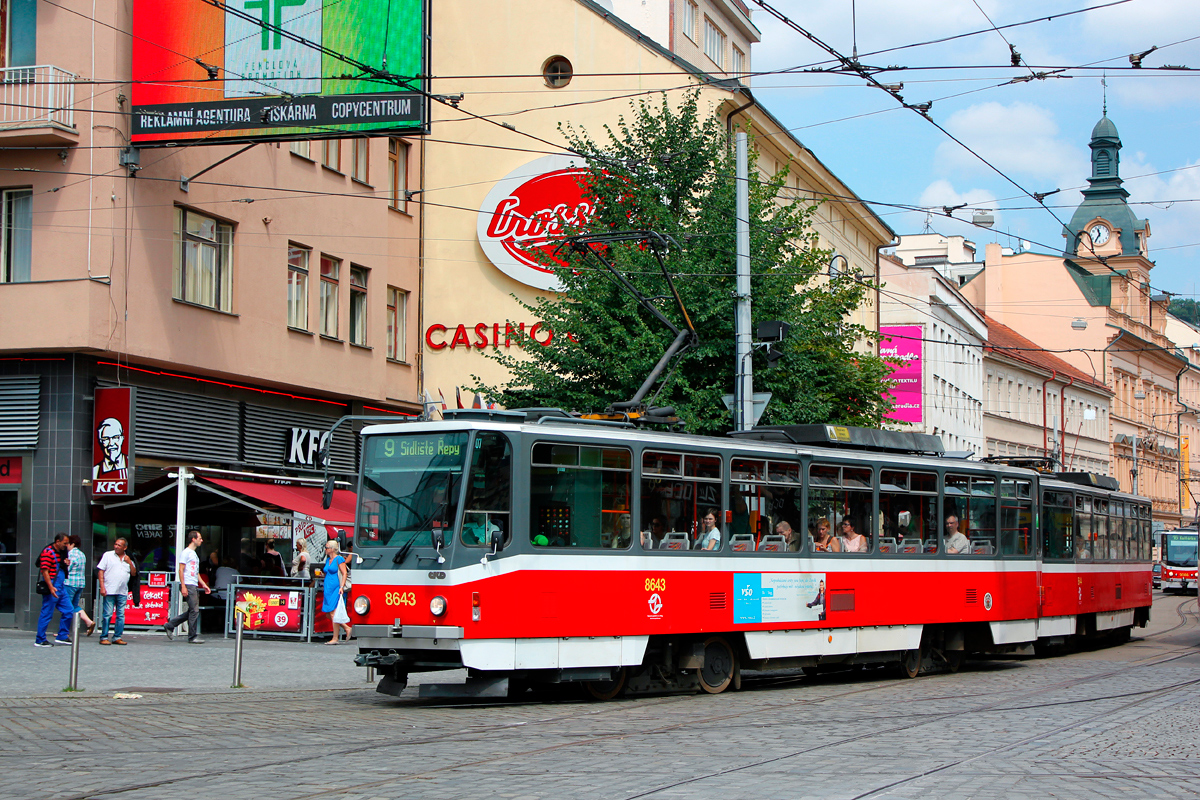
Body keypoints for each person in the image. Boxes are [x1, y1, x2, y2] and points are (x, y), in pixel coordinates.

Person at [162, 530, 211, 644]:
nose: (201, 540)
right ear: (193, 539)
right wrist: (183, 586)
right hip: (188, 584)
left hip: (192, 583)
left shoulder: (193, 554)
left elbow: (195, 571)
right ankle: (192, 636)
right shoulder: (186, 553)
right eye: (200, 538)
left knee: (192, 610)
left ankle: (170, 625)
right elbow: (181, 569)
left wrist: (203, 584)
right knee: (194, 610)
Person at [97, 537, 137, 645]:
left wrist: (129, 562)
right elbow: (101, 571)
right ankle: (104, 636)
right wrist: (102, 586)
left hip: (122, 591)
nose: (116, 546)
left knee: (120, 615)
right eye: (115, 544)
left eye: (119, 545)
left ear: (125, 547)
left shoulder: (128, 558)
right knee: (108, 614)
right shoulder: (108, 555)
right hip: (109, 589)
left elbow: (134, 573)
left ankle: (117, 636)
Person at [34, 534, 73, 647]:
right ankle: (40, 639)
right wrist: (51, 587)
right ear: (57, 541)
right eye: (65, 543)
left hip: (60, 586)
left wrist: (66, 563)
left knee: (68, 610)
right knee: (47, 613)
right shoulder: (48, 552)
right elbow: (44, 570)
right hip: (53, 585)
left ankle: (62, 635)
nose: (66, 545)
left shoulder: (60, 552)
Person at [65, 535, 96, 637]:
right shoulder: (82, 554)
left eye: (67, 544)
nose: (66, 546)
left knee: (67, 607)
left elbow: (67, 569)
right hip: (80, 583)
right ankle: (88, 621)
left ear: (72, 544)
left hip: (70, 583)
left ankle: (64, 632)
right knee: (74, 605)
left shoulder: (71, 554)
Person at [321, 540, 351, 645]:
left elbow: (344, 573)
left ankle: (335, 638)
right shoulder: (328, 560)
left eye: (327, 547)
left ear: (333, 549)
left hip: (336, 588)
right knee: (328, 614)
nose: (325, 549)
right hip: (328, 588)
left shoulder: (339, 559)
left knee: (333, 613)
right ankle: (347, 628)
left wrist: (342, 587)